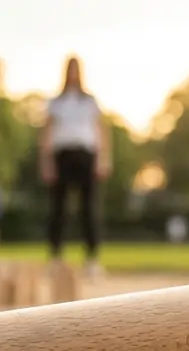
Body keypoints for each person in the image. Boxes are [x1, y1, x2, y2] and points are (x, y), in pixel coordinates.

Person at [39, 55, 111, 277]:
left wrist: (103, 159)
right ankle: (55, 257)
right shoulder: (56, 102)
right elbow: (47, 133)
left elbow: (101, 131)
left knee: (89, 208)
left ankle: (92, 259)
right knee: (58, 208)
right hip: (62, 155)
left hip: (85, 154)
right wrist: (46, 162)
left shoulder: (89, 101)